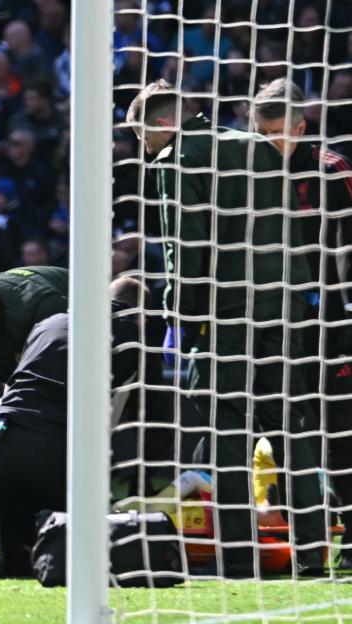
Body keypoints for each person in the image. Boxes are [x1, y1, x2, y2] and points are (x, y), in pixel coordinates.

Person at [128, 79, 324, 576]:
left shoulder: (177, 158)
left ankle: (239, 558)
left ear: (163, 124)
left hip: (227, 315)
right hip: (283, 305)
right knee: (290, 428)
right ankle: (313, 554)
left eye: (141, 136)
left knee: (228, 434)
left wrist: (184, 320)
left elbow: (184, 249)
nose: (141, 147)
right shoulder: (255, 144)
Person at [253, 78, 352, 568]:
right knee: (286, 436)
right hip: (273, 327)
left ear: (300, 126)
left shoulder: (332, 171)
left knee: (340, 434)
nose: (271, 142)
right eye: (261, 132)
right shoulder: (249, 173)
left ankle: (348, 541)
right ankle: (307, 548)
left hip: (330, 325)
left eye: (277, 132)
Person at [0, 277, 144, 575]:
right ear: (139, 314)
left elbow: (15, 380)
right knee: (67, 556)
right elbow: (113, 412)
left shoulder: (50, 322)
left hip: (2, 436)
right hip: (51, 442)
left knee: (13, 559)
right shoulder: (129, 337)